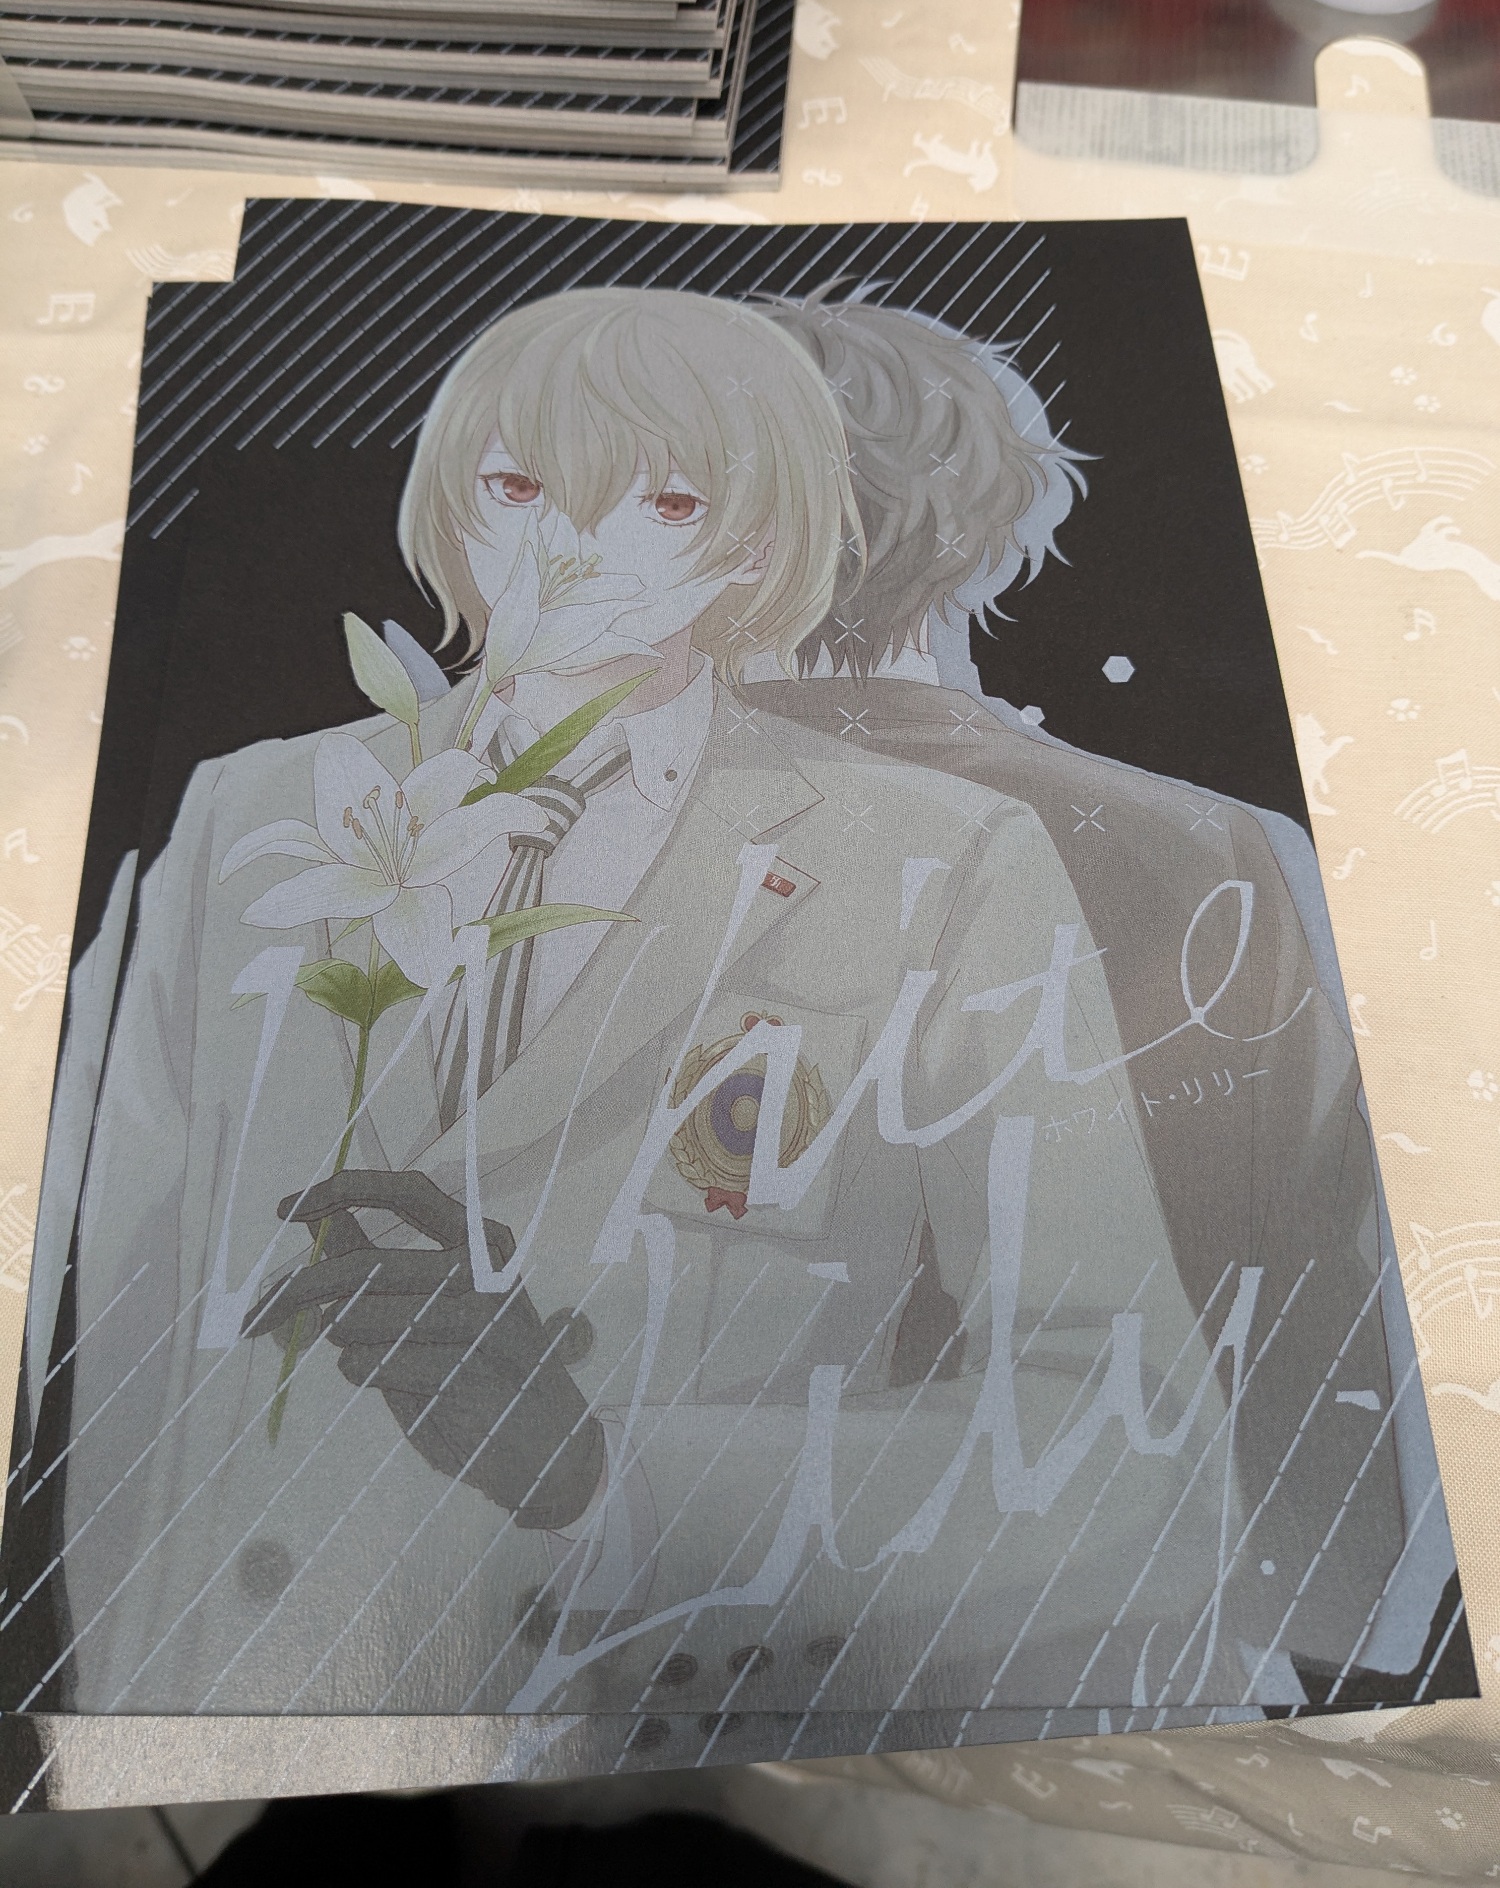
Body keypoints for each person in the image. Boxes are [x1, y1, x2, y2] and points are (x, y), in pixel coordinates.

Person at [7, 287, 1278, 1735]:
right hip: (214, 1712)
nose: (572, 553)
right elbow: (102, 1317)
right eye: (520, 489)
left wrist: (611, 1479)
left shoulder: (937, 864)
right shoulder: (251, 813)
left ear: (761, 544)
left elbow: (1131, 1435)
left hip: (639, 1728)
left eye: (666, 505)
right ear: (451, 502)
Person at [743, 286, 1457, 1702]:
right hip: (1126, 1639)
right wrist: (1311, 1640)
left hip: (681, 1612)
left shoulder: (585, 833)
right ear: (988, 525)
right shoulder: (1224, 848)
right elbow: (1319, 1293)